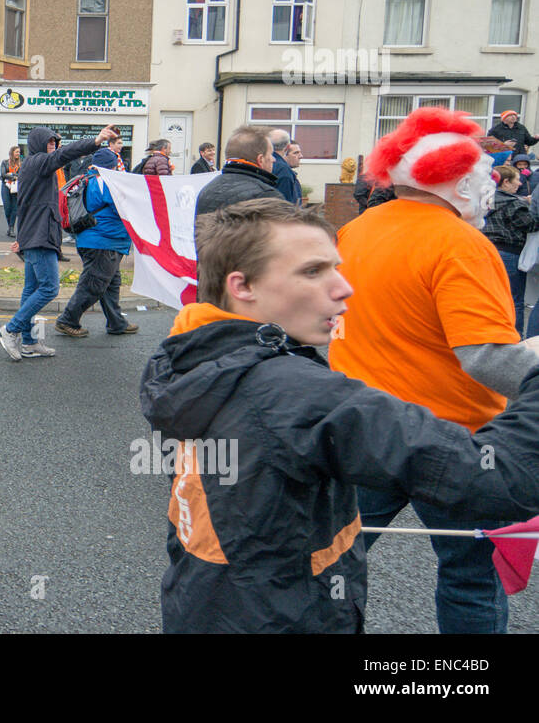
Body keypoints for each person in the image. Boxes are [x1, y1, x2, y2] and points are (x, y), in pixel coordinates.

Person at [140, 197, 539, 633]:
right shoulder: (301, 394)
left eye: (336, 267)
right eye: (313, 271)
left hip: (201, 608)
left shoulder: (188, 354)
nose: (345, 287)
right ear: (243, 286)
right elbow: (498, 477)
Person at [330, 106, 530, 634]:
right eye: (482, 172)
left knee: (329, 562)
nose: (490, 184)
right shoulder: (461, 243)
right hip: (454, 439)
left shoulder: (357, 230)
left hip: (364, 427)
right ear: (457, 180)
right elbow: (485, 356)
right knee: (470, 578)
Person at [0, 123, 117, 361]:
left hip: (36, 234)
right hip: (40, 236)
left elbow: (26, 205)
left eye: (55, 142)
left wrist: (21, 238)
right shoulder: (39, 161)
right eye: (50, 141)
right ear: (40, 144)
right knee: (50, 288)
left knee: (31, 289)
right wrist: (96, 140)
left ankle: (29, 342)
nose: (54, 146)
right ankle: (10, 330)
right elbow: (65, 155)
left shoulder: (39, 166)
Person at [55, 165, 137, 338]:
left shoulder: (87, 180)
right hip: (104, 241)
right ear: (111, 167)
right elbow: (122, 208)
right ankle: (67, 320)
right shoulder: (105, 182)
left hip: (93, 239)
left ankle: (117, 322)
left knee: (111, 283)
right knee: (94, 284)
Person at [482, 164, 538, 336]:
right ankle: (514, 339)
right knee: (514, 300)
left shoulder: (484, 199)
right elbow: (530, 224)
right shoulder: (513, 203)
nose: (519, 184)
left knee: (490, 298)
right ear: (505, 182)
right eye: (516, 181)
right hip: (509, 252)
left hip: (485, 250)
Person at [194, 125, 282, 218]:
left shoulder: (207, 190)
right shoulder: (266, 196)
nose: (274, 159)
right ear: (260, 159)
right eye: (271, 154)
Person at [267, 129, 302, 205]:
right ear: (287, 148)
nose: (301, 156)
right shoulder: (283, 171)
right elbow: (285, 205)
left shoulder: (262, 164)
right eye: (296, 153)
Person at [0, 146, 20, 237]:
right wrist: (13, 176)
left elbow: (22, 174)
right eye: (16, 152)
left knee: (14, 208)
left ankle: (11, 228)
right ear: (12, 153)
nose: (18, 154)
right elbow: (3, 174)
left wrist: (11, 175)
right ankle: (9, 226)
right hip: (6, 186)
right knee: (7, 208)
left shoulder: (20, 164)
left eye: (19, 152)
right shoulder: (4, 162)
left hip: (16, 187)